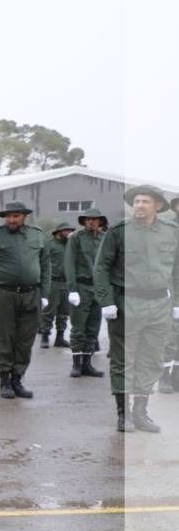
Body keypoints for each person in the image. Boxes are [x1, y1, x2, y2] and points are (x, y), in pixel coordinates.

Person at [93, 185, 179, 432]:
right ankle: (124, 414)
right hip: (127, 302)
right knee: (124, 359)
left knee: (151, 359)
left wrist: (176, 302)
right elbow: (102, 267)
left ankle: (141, 411)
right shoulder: (119, 232)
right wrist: (107, 301)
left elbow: (176, 270)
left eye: (145, 201)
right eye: (137, 201)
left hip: (159, 304)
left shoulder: (171, 232)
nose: (139, 205)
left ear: (158, 206)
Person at [0, 200, 50, 399]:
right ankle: (4, 380)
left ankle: (17, 379)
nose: (11, 220)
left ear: (24, 216)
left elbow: (45, 265)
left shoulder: (37, 235)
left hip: (31, 294)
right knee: (4, 338)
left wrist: (44, 294)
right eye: (8, 216)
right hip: (2, 294)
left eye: (16, 216)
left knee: (26, 339)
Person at [65, 207, 109, 379]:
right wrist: (72, 289)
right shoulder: (76, 238)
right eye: (88, 219)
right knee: (78, 328)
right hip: (82, 286)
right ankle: (76, 364)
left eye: (94, 219)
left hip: (99, 288)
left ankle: (87, 364)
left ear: (100, 222)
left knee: (93, 327)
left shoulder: (105, 238)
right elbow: (69, 263)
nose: (91, 222)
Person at [41, 221, 75, 349]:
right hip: (52, 281)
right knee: (49, 310)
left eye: (70, 231)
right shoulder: (49, 244)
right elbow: (42, 261)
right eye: (66, 230)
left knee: (64, 311)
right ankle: (45, 336)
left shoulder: (70, 244)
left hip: (67, 282)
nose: (68, 233)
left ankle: (60, 337)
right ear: (59, 231)